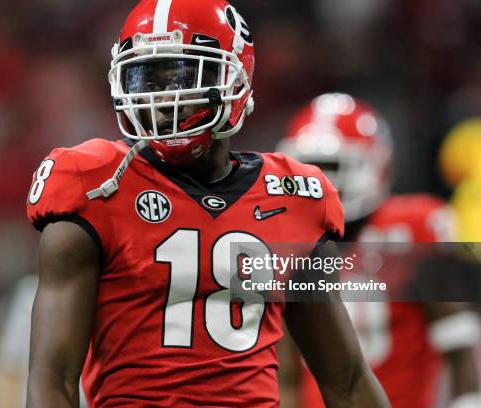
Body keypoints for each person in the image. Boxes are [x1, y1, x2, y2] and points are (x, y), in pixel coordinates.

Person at [25, 2, 389, 407]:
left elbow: (347, 380)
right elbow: (52, 379)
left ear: (236, 77)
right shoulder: (94, 185)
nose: (162, 99)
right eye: (146, 77)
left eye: (181, 74)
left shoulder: (295, 199)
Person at [278, 92, 481, 408]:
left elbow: (459, 341)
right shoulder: (283, 242)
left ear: (375, 166)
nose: (321, 180)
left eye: (332, 166)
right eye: (310, 167)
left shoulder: (412, 226)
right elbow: (285, 375)